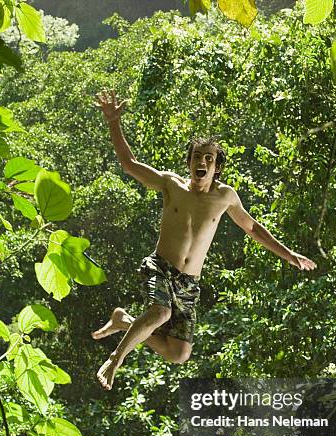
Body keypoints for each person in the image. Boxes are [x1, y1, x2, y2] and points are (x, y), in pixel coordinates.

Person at [92, 90, 317, 390]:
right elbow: (129, 163)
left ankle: (125, 320)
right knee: (161, 312)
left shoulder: (225, 197)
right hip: (160, 267)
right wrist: (113, 121)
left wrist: (289, 255)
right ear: (189, 163)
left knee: (179, 353)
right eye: (197, 157)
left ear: (216, 168)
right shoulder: (171, 184)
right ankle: (115, 358)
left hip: (189, 283)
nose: (202, 162)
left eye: (208, 159)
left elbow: (253, 228)